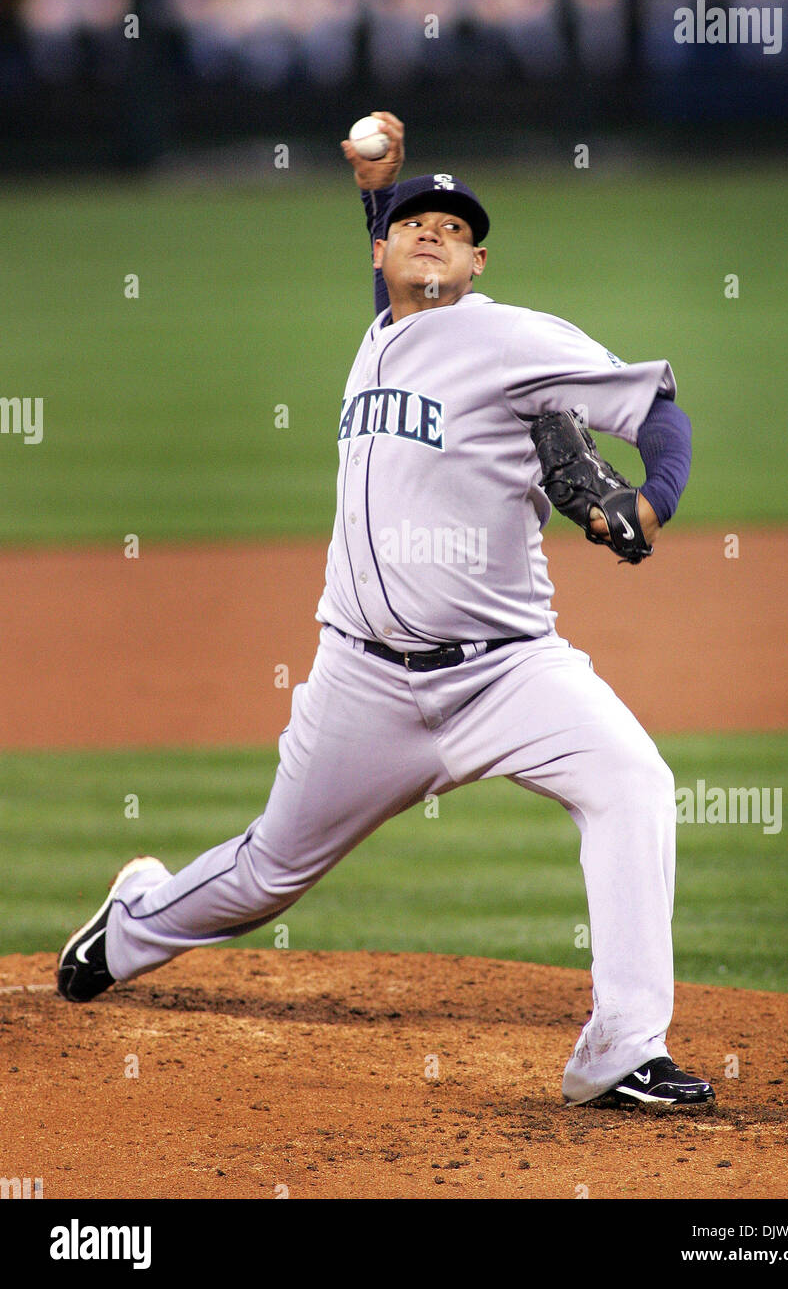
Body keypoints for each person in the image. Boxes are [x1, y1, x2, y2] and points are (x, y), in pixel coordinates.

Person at [58, 112, 713, 1109]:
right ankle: (130, 921)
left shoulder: (511, 334)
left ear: (478, 259)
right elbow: (401, 290)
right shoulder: (382, 328)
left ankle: (620, 1051)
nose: (431, 234)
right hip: (360, 682)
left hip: (507, 671)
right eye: (413, 224)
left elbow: (657, 407)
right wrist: (382, 183)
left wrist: (649, 499)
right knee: (266, 874)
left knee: (633, 781)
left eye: (452, 227)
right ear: (380, 250)